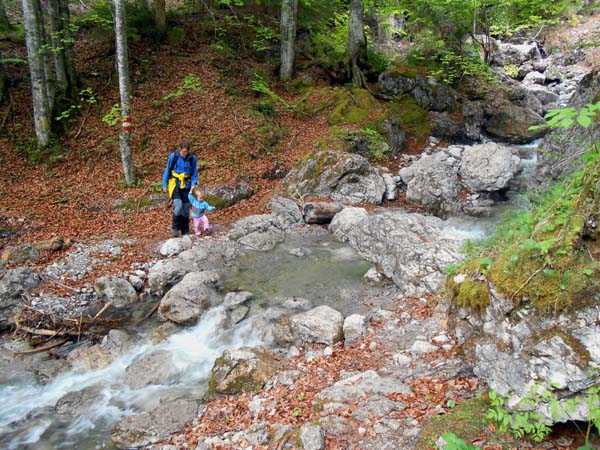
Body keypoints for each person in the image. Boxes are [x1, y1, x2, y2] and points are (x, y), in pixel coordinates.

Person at [162, 141, 198, 237]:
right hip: (175, 184)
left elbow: (194, 173)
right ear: (180, 149)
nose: (184, 154)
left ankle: (185, 229)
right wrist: (165, 184)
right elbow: (167, 170)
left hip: (186, 185)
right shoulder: (174, 156)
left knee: (186, 208)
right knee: (178, 206)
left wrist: (194, 184)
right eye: (182, 152)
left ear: (188, 151)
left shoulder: (192, 158)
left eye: (186, 152)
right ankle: (175, 228)